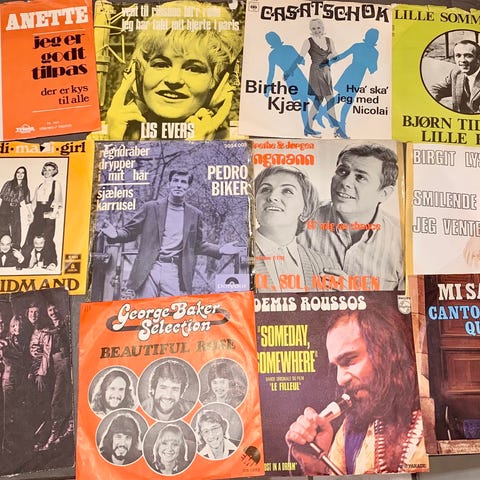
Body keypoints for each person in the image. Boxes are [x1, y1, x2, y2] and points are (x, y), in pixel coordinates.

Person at [285, 300, 428, 475]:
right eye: (336, 367)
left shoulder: (440, 415)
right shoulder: (349, 431)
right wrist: (317, 468)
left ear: (387, 351)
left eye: (348, 361)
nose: (340, 380)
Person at [104, 0, 242, 141]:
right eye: (161, 65)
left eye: (193, 69)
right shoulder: (105, 136)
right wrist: (115, 141)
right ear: (138, 73)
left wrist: (201, 149)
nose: (173, 80)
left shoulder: (238, 145)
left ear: (218, 84)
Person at [101, 169, 241, 298]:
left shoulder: (194, 214)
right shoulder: (150, 208)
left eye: (183, 182)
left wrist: (220, 249)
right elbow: (130, 231)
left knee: (171, 310)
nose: (179, 185)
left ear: (188, 187)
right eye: (175, 180)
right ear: (169, 184)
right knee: (145, 309)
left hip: (173, 270)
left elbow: (197, 245)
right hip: (148, 268)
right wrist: (115, 235)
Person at [300, 144, 404, 290]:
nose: (345, 182)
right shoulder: (299, 220)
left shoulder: (403, 241)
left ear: (384, 193)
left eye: (361, 177)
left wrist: (357, 298)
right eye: (342, 171)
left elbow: (411, 302)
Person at [254, 165, 338, 293]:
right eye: (265, 189)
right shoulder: (232, 258)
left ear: (305, 209)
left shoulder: (326, 265)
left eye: (287, 191)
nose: (272, 196)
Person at [327, 29, 380, 138]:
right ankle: (340, 127)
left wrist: (330, 62)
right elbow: (373, 69)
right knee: (345, 100)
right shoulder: (373, 52)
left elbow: (342, 56)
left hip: (353, 76)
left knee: (343, 99)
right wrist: (329, 62)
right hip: (353, 76)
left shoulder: (364, 49)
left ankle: (325, 115)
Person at [35, 302, 73, 451]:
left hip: (65, 364)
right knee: (53, 400)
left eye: (54, 308)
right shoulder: (46, 329)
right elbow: (40, 350)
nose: (52, 312)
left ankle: (60, 433)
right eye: (49, 310)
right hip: (52, 368)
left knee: (61, 399)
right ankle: (53, 434)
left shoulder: (66, 324)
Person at [298, 18, 338, 136]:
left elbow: (335, 54)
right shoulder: (308, 41)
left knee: (318, 100)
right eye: (313, 28)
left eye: (319, 28)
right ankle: (337, 128)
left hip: (326, 72)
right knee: (329, 99)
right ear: (311, 29)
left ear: (323, 28)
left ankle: (308, 128)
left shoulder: (329, 40)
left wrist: (331, 56)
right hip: (316, 72)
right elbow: (300, 57)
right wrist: (290, 71)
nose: (316, 30)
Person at [0, 315, 30, 454]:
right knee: (7, 412)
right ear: (11, 327)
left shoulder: (24, 342)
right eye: (14, 325)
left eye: (20, 325)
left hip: (21, 381)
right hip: (9, 380)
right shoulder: (5, 342)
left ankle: (14, 444)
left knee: (17, 412)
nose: (17, 328)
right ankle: (5, 444)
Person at [430, 39, 480, 114]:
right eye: (458, 56)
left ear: (478, 58)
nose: (462, 60)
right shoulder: (456, 73)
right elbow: (436, 89)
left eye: (468, 56)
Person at [24, 162, 62, 247]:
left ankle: (47, 255)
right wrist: (31, 214)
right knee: (32, 235)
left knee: (47, 237)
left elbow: (57, 199)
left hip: (48, 211)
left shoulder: (56, 183)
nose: (47, 172)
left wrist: (54, 213)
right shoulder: (39, 186)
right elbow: (34, 202)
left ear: (54, 171)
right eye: (45, 170)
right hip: (38, 211)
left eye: (50, 170)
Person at [0, 166, 33, 248]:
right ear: (15, 173)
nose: (20, 174)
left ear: (25, 175)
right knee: (3, 229)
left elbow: (28, 202)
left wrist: (31, 214)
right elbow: (2, 195)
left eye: (22, 173)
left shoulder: (25, 188)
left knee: (16, 230)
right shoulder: (8, 183)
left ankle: (15, 250)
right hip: (5, 207)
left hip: (16, 209)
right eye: (18, 172)